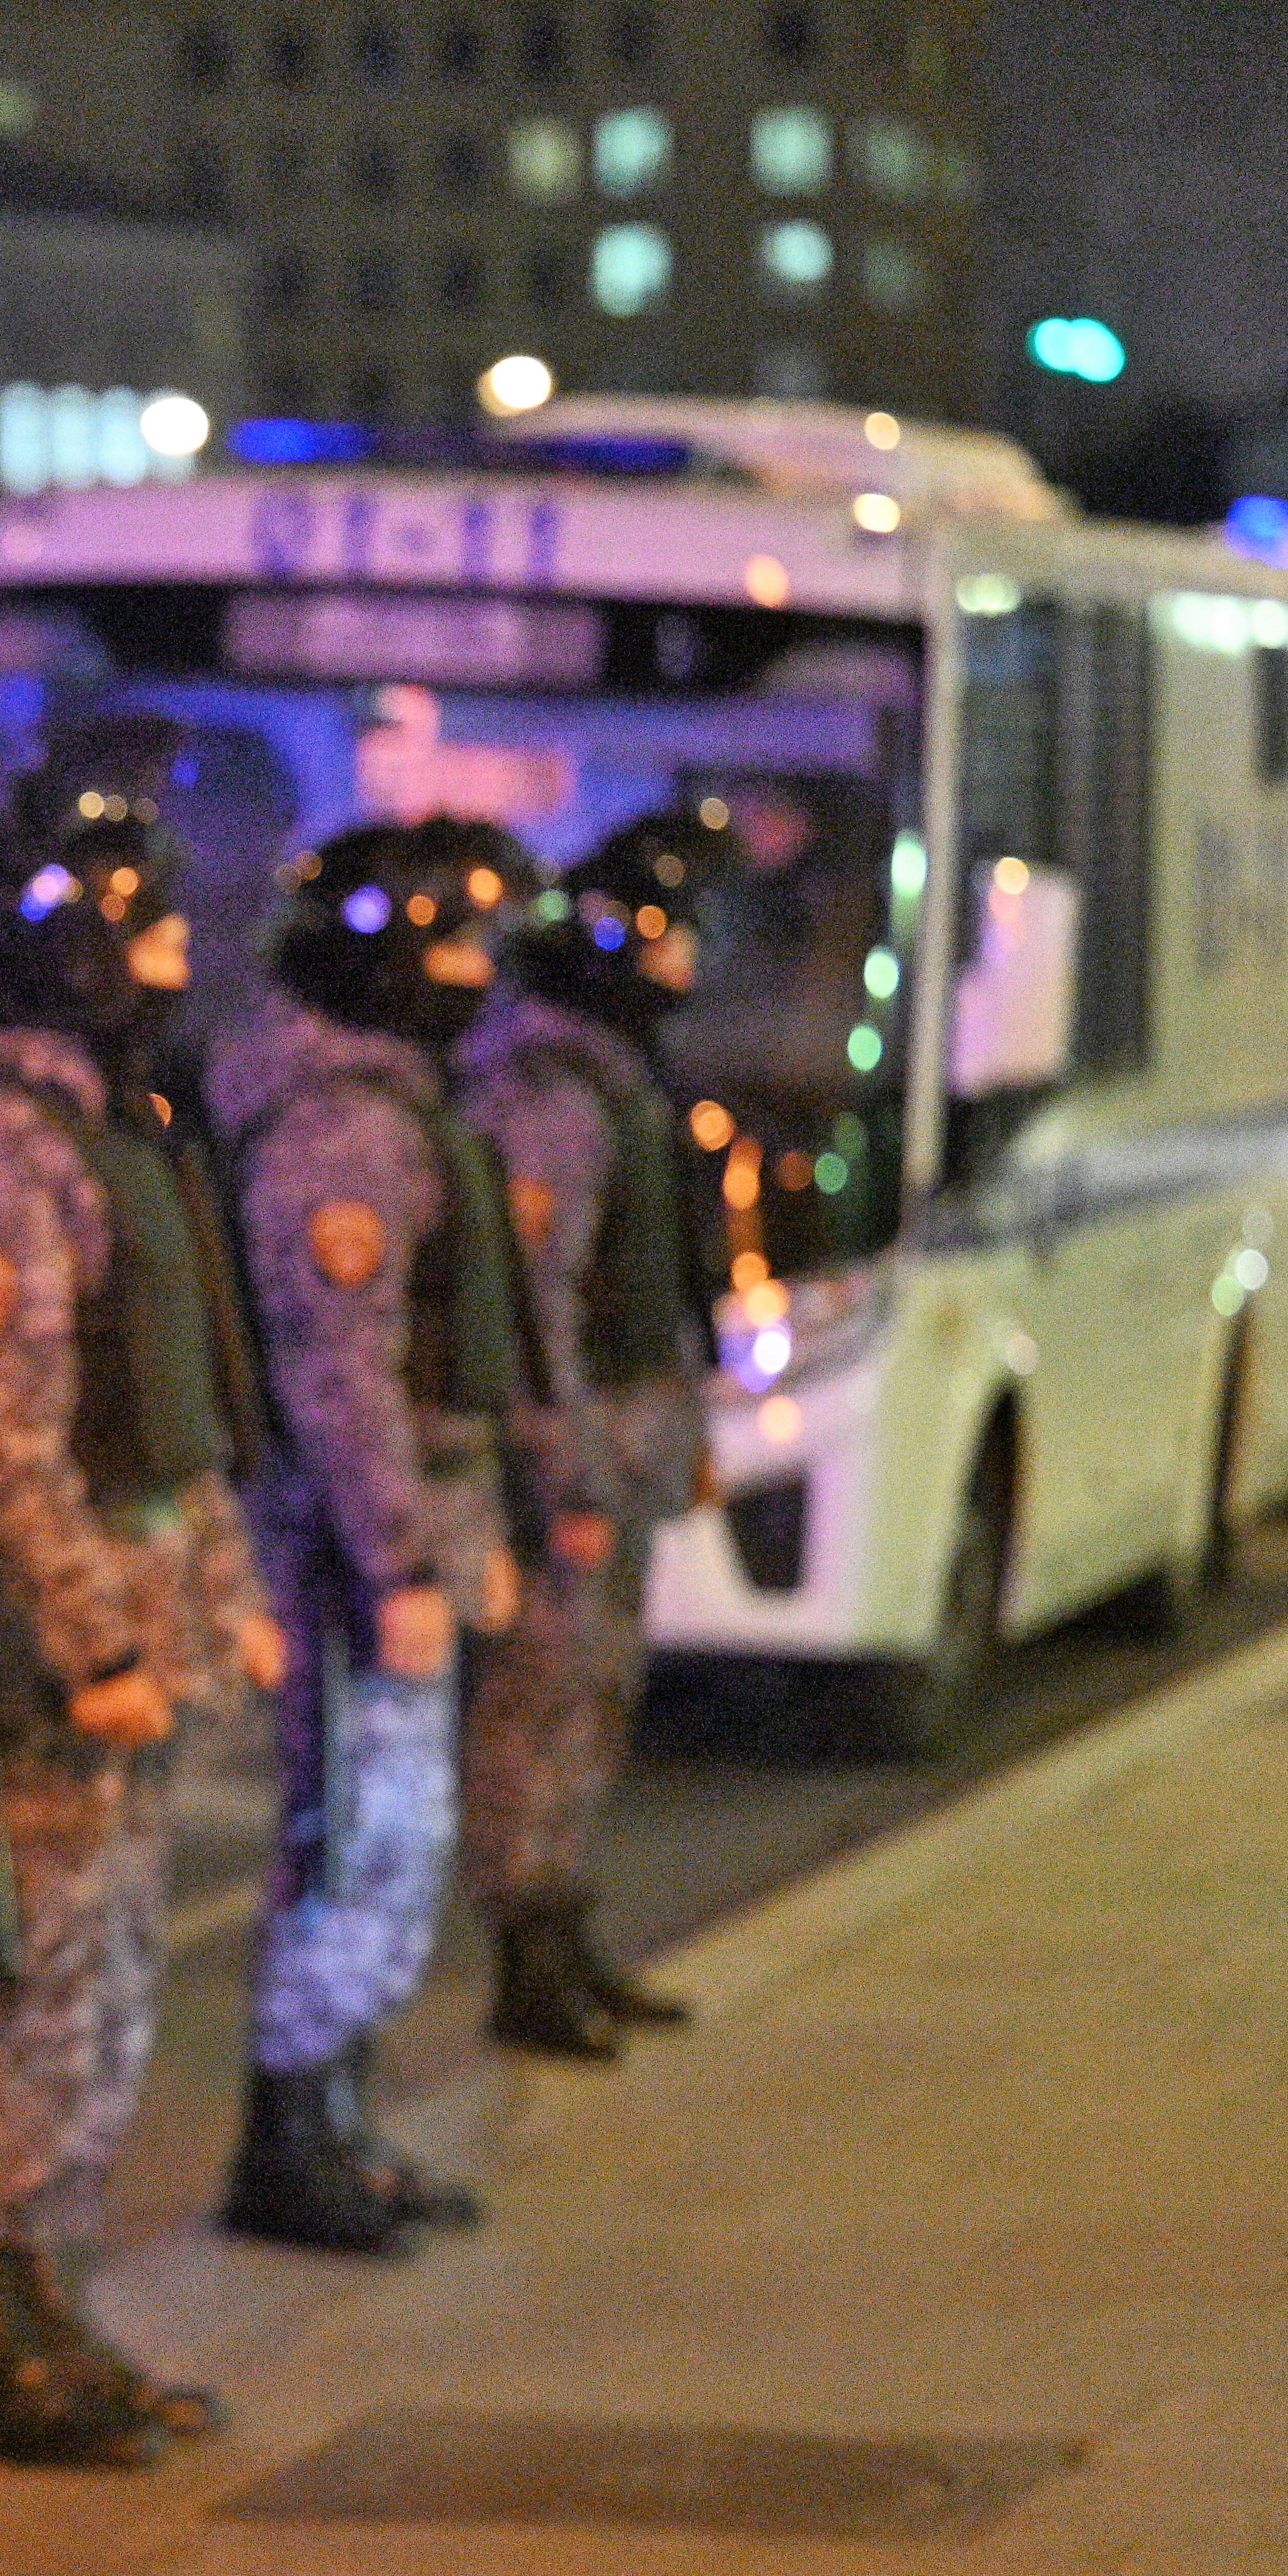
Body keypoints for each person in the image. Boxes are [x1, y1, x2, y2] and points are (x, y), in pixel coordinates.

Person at [0, 735, 287, 2465]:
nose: (174, 979)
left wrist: (213, 1597)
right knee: (13, 1979)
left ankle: (45, 2308)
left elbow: (166, 1415)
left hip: (123, 1635)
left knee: (89, 1988)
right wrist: (92, 1637)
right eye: (149, 947)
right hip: (36, 1660)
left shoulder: (94, 1120)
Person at [200, 817, 541, 2256]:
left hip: (398, 1529)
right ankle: (291, 2139)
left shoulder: (391, 1101)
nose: (475, 975)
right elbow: (341, 1374)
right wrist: (401, 1561)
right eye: (448, 946)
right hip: (347, 1550)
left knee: (397, 1836)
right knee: (354, 1834)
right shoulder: (341, 1121)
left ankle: (339, 2117)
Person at [455, 813, 720, 2055]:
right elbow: (539, 1298)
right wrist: (558, 1472)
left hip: (627, 1448)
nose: (686, 961)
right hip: (582, 1459)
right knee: (540, 1708)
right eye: (666, 936)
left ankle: (565, 1929)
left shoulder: (614, 1074)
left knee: (596, 1698)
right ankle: (527, 1953)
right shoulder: (552, 1093)